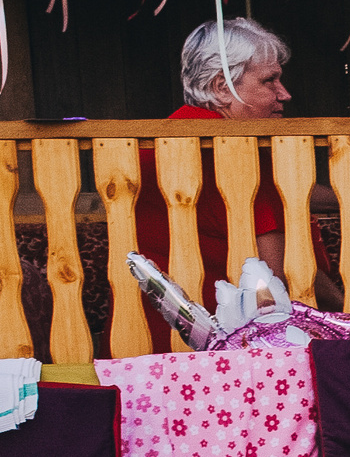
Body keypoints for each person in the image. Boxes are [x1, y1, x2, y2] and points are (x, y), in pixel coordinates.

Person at [135, 18, 338, 321]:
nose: (284, 94)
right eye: (270, 80)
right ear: (222, 87)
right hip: (224, 340)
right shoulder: (232, 152)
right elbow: (282, 271)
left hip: (144, 332)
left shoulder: (159, 143)